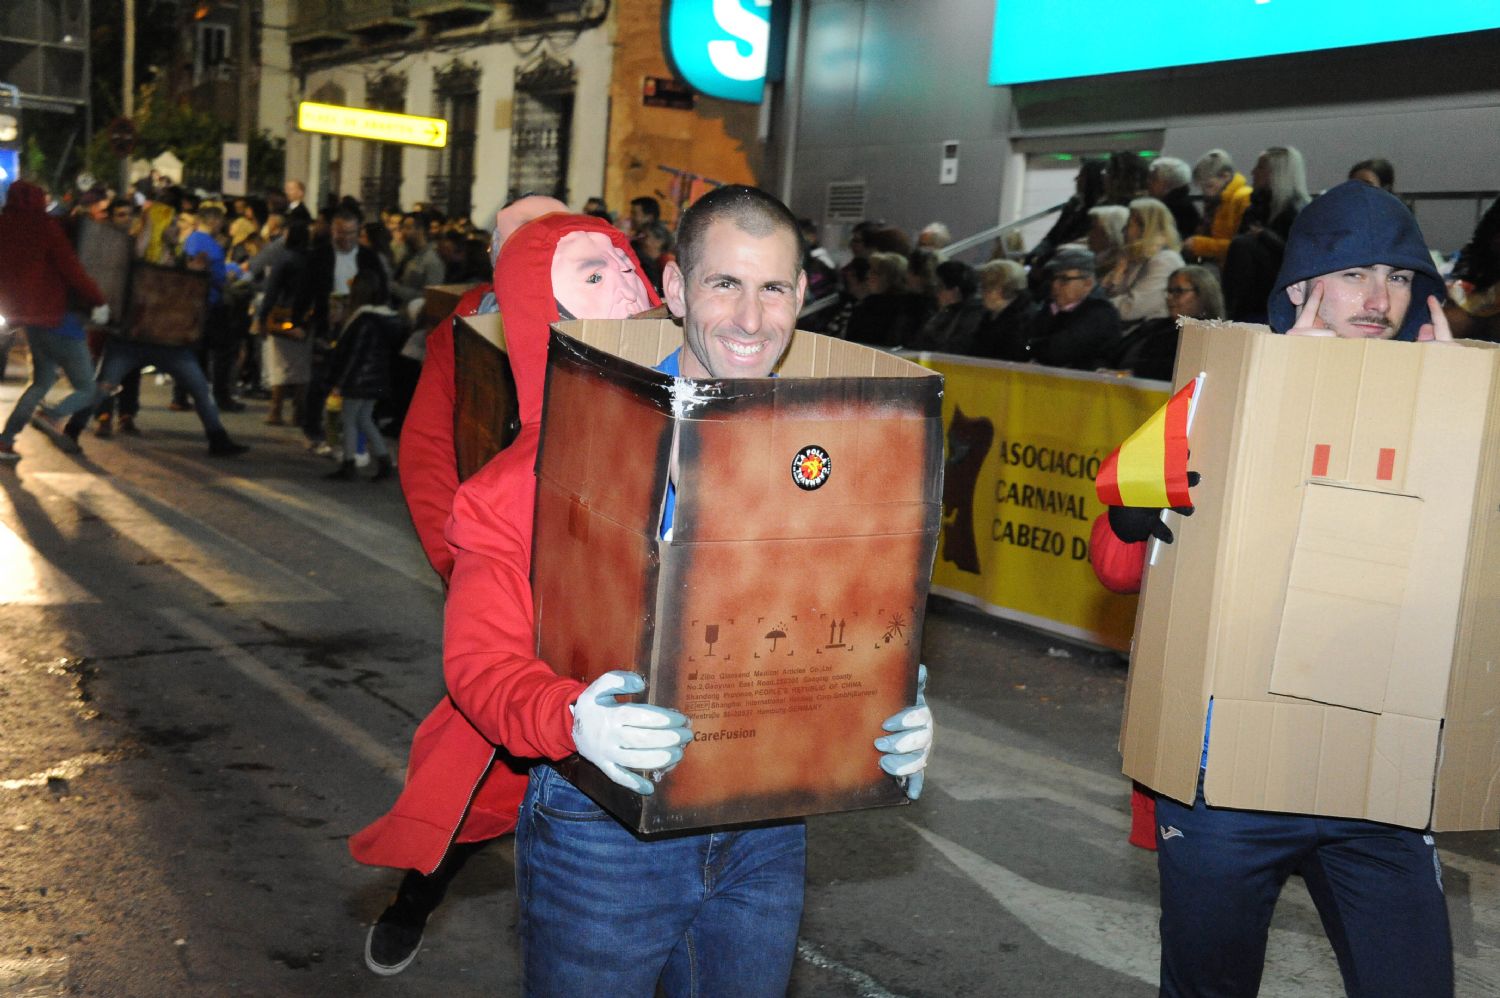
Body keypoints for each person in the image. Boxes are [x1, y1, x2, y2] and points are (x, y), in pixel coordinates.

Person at [353, 189, 931, 993]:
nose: (751, 319)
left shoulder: (824, 447)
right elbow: (479, 664)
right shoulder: (540, 469)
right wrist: (570, 718)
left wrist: (885, 696)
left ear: (803, 296)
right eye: (725, 284)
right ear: (677, 289)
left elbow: (839, 611)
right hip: (603, 834)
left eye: (773, 289)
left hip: (764, 825)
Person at [1092, 180, 1453, 998]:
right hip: (1229, 783)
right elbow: (1114, 568)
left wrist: (1459, 412)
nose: (1379, 297)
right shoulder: (1219, 392)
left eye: (1398, 278)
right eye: (1355, 274)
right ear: (1302, 288)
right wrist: (1136, 513)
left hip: (1377, 777)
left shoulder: (1450, 412)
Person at [0, 180, 108, 463]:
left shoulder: (3, 226)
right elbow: (71, 269)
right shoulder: (46, 227)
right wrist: (99, 300)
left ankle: (5, 440)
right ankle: (52, 415)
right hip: (57, 317)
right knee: (86, 387)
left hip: (28, 319)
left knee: (41, 382)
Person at [324, 267, 402, 480]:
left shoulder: (363, 319)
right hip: (375, 378)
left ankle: (348, 463)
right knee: (364, 419)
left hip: (358, 378)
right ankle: (384, 460)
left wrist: (339, 381)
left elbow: (355, 353)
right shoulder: (384, 318)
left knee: (349, 419)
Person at [1223, 146, 1311, 323]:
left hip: (1274, 296)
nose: (1253, 172)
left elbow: (1297, 257)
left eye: (1260, 167)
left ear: (1277, 173)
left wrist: (1265, 236)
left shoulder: (1298, 213)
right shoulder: (1255, 208)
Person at [1102, 264, 1225, 381]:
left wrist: (1132, 374)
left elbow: (1174, 371)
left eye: (1178, 291)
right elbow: (1114, 354)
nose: (1169, 297)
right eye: (1169, 291)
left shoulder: (1208, 337)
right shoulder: (1153, 326)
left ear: (1203, 295)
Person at [1021, 246, 1123, 370]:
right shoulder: (1051, 307)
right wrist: (1030, 346)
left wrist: (1031, 345)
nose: (1055, 285)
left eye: (1064, 279)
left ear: (1087, 283)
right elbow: (1022, 345)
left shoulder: (1100, 313)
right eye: (1054, 278)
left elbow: (1056, 352)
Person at [1101, 197, 1185, 323]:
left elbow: (1131, 308)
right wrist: (1118, 272)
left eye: (1129, 224)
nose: (1123, 230)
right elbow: (1112, 294)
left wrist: (1096, 308)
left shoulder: (1165, 260)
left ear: (1145, 228)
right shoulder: (1135, 258)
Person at [1182, 149, 1252, 269]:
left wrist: (1198, 244)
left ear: (1226, 176)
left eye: (1209, 186)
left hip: (1233, 270)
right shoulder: (1216, 201)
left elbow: (1242, 245)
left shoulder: (1243, 198)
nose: (1205, 192)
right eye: (1202, 186)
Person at [908, 259, 985, 353]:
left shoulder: (972, 316)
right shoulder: (944, 311)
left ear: (955, 291)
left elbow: (951, 348)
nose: (936, 294)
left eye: (940, 287)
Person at [970, 258, 1033, 361]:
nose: (982, 293)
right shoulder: (990, 315)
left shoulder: (1022, 321)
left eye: (986, 288)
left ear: (1001, 290)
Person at [1147, 157, 1201, 247]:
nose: (1148, 182)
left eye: (1154, 179)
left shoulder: (1175, 209)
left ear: (1168, 183)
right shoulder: (1183, 204)